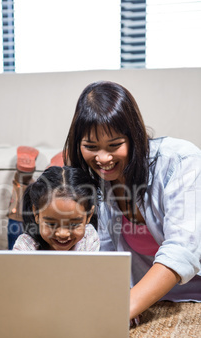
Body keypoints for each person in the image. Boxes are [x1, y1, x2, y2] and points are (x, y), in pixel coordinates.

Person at [63, 80, 201, 321]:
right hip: (148, 297)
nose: (103, 158)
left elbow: (182, 249)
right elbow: (105, 253)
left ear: (134, 137)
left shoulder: (181, 160)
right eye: (91, 146)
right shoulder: (94, 182)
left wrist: (123, 308)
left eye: (115, 145)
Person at [13, 165, 100, 251]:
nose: (63, 234)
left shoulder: (88, 237)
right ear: (36, 214)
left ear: (89, 216)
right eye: (51, 224)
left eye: (74, 224)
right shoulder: (26, 245)